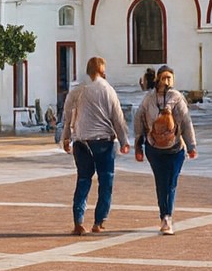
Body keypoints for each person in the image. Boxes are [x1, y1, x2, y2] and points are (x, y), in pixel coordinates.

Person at [62, 56, 131, 235]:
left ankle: (78, 222)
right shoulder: (108, 90)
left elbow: (68, 115)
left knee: (83, 180)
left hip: (81, 141)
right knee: (105, 180)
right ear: (102, 70)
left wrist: (66, 137)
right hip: (103, 142)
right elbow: (118, 118)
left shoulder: (77, 91)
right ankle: (98, 222)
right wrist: (124, 141)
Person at [133, 65, 197, 235]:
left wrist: (191, 146)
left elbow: (186, 122)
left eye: (170, 78)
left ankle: (167, 216)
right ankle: (164, 215)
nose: (167, 81)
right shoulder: (149, 99)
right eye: (164, 78)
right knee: (161, 183)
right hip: (154, 148)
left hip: (176, 148)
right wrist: (138, 145)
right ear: (158, 80)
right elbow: (139, 119)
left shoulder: (177, 98)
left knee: (171, 182)